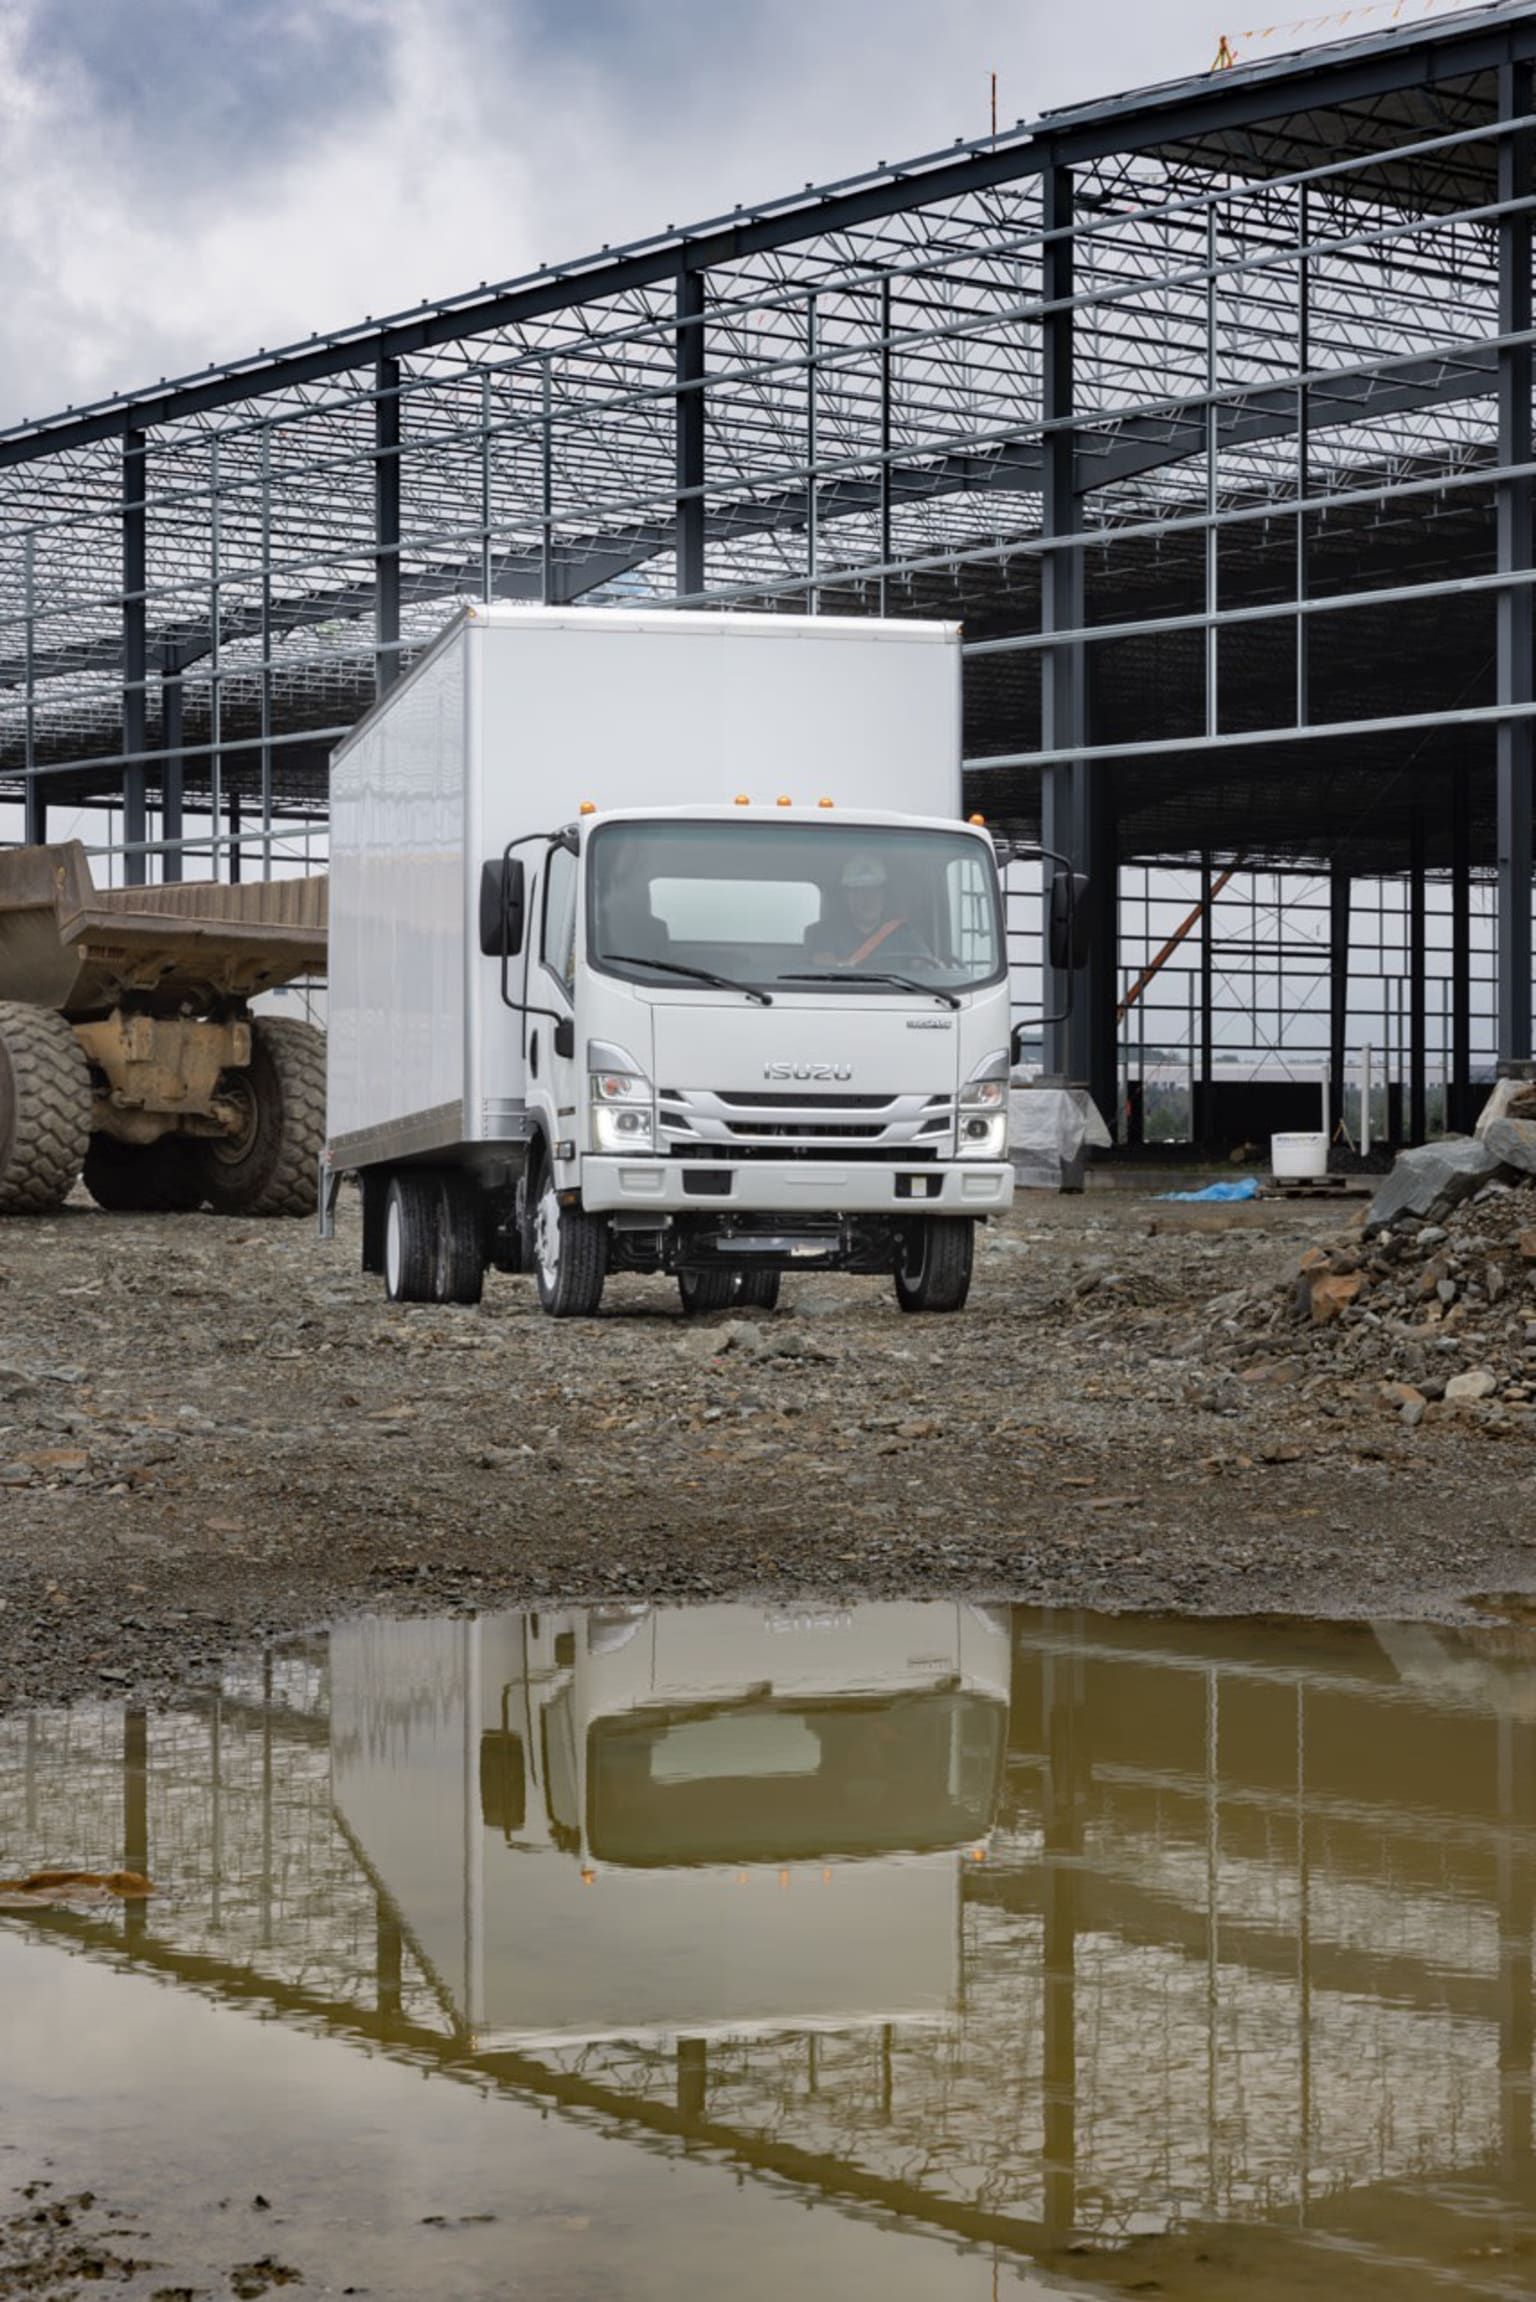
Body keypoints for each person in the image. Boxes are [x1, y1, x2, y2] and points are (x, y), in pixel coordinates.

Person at [807, 852, 923, 968]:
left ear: (884, 894)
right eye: (859, 891)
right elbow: (824, 968)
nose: (868, 898)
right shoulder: (825, 933)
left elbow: (924, 971)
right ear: (846, 896)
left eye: (874, 890)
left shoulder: (905, 934)